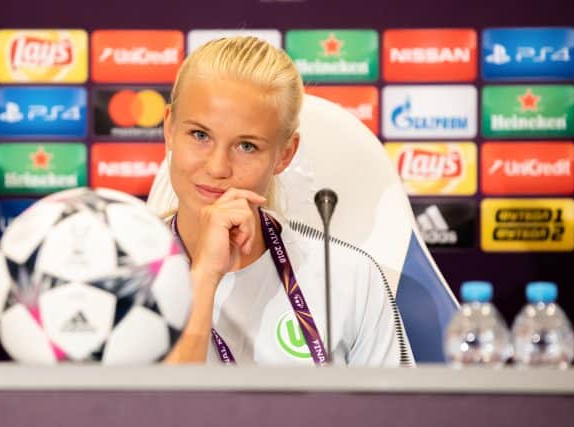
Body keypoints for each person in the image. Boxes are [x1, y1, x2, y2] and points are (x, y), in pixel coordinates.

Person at [161, 36, 413, 366]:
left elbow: (396, 415)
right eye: (200, 135)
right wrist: (204, 275)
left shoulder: (351, 277)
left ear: (285, 154)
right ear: (169, 128)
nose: (217, 167)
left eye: (247, 146)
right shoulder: (122, 275)